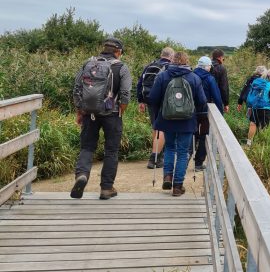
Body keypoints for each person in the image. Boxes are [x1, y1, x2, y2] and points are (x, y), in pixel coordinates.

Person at [71, 38, 132, 200]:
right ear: (118, 52)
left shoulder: (88, 63)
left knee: (87, 147)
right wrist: (121, 110)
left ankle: (82, 175)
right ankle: (106, 188)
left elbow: (77, 88)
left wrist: (79, 110)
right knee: (111, 150)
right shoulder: (121, 67)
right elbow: (125, 94)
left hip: (89, 113)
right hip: (112, 114)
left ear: (103, 49)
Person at [147, 51, 207, 197]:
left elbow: (153, 98)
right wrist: (199, 119)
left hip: (167, 119)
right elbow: (202, 101)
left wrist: (158, 115)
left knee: (169, 148)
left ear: (172, 60)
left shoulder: (162, 76)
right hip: (187, 121)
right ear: (187, 61)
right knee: (182, 153)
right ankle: (178, 187)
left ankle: (167, 176)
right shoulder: (194, 78)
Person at [137, 47, 174, 169]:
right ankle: (154, 158)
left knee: (156, 127)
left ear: (161, 54)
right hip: (163, 101)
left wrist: (141, 100)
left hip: (150, 100)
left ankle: (158, 155)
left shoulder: (150, 65)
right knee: (162, 128)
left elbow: (140, 83)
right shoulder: (170, 67)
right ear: (171, 56)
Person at [193, 56, 224, 172]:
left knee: (192, 134)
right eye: (210, 65)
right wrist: (220, 114)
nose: (211, 67)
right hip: (205, 111)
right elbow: (216, 97)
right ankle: (198, 163)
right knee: (204, 135)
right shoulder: (210, 79)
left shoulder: (191, 76)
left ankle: (185, 159)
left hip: (191, 111)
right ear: (206, 66)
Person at [246, 69, 270, 147]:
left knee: (253, 124)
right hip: (265, 109)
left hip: (255, 106)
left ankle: (249, 144)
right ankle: (260, 146)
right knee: (264, 127)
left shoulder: (257, 82)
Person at [210, 49, 230, 114]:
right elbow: (224, 87)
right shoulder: (221, 68)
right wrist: (226, 103)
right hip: (216, 99)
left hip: (205, 98)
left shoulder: (206, 66)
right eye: (223, 59)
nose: (223, 60)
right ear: (220, 57)